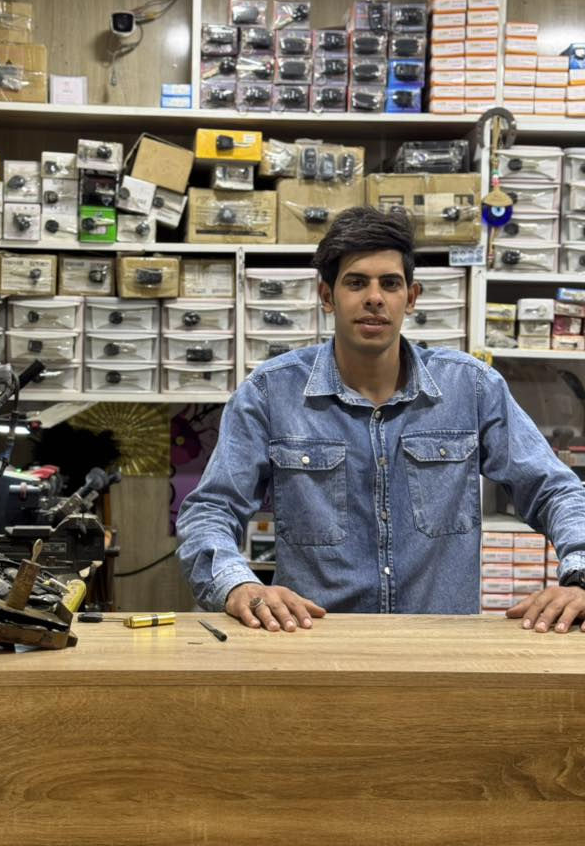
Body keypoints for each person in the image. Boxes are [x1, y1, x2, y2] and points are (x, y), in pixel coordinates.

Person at [176, 206, 585, 634]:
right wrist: (237, 584)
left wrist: (578, 576)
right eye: (356, 283)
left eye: (390, 283)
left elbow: (554, 490)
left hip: (441, 648)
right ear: (327, 296)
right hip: (314, 646)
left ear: (411, 297)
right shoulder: (270, 393)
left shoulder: (472, 388)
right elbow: (210, 510)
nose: (374, 297)